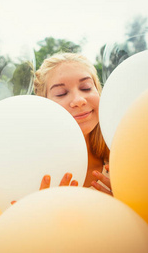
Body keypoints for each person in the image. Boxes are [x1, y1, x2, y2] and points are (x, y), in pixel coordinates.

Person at [34, 52, 112, 196]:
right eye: (61, 93)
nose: (78, 100)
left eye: (86, 87)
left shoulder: (122, 159)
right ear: (43, 103)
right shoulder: (32, 170)